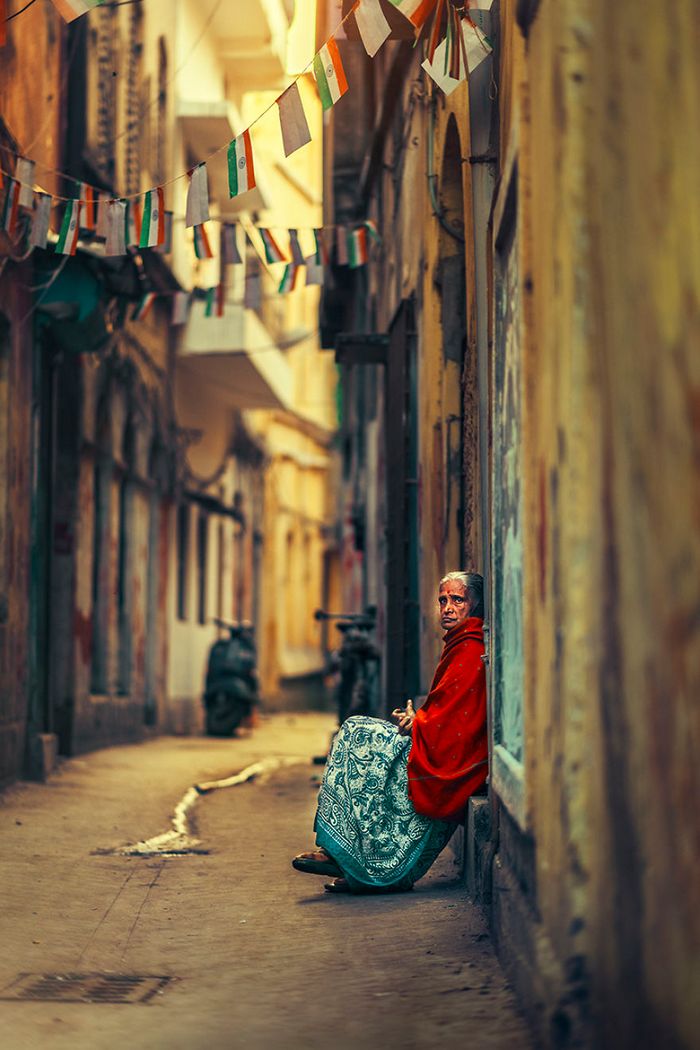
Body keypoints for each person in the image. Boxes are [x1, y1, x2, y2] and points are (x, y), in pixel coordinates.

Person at [292, 572, 488, 894]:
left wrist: (418, 723)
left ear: (475, 605)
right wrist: (417, 719)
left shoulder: (470, 648)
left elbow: (457, 724)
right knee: (354, 730)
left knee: (357, 734)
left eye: (458, 600)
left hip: (452, 761)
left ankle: (348, 858)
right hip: (434, 743)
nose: (448, 608)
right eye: (443, 600)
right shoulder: (459, 644)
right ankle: (343, 856)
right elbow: (447, 712)